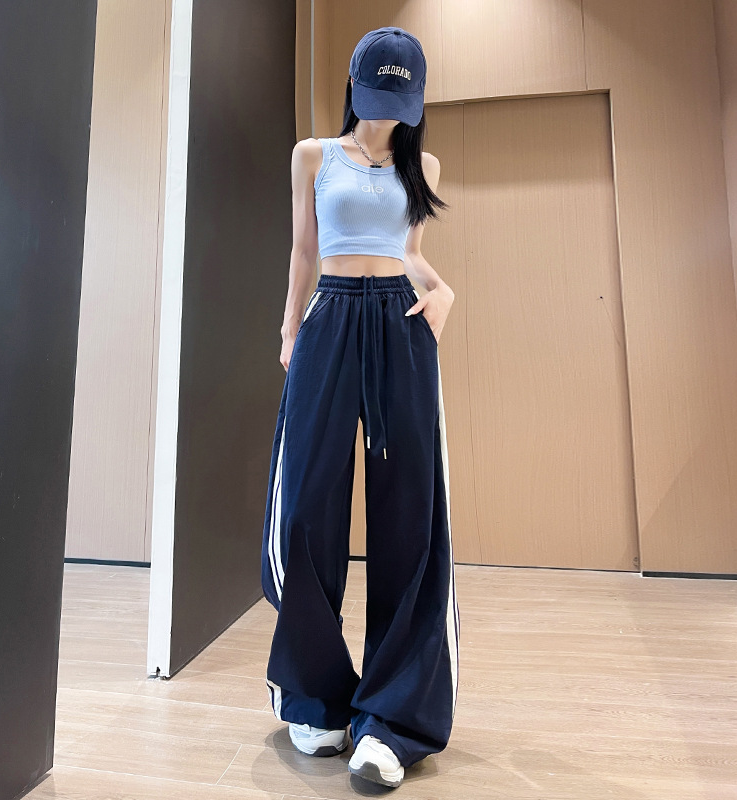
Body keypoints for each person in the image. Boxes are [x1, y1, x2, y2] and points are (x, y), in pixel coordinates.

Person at [260, 26, 460, 789]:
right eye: (378, 97)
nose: (388, 114)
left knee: (409, 510)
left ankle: (393, 718)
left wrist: (443, 292)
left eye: (401, 100)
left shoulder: (422, 165)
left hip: (400, 323)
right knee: (308, 505)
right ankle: (315, 696)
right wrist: (289, 330)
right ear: (355, 88)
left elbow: (410, 256)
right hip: (331, 317)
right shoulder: (312, 156)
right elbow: (303, 251)